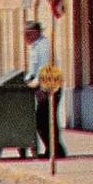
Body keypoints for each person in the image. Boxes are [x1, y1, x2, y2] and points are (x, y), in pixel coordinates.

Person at [24, 21, 67, 158]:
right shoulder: (35, 47)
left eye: (27, 34)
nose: (25, 37)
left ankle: (55, 151)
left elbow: (45, 70)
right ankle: (53, 150)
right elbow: (33, 70)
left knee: (44, 120)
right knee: (45, 120)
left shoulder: (43, 47)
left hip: (49, 87)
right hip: (42, 86)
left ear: (35, 33)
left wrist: (39, 87)